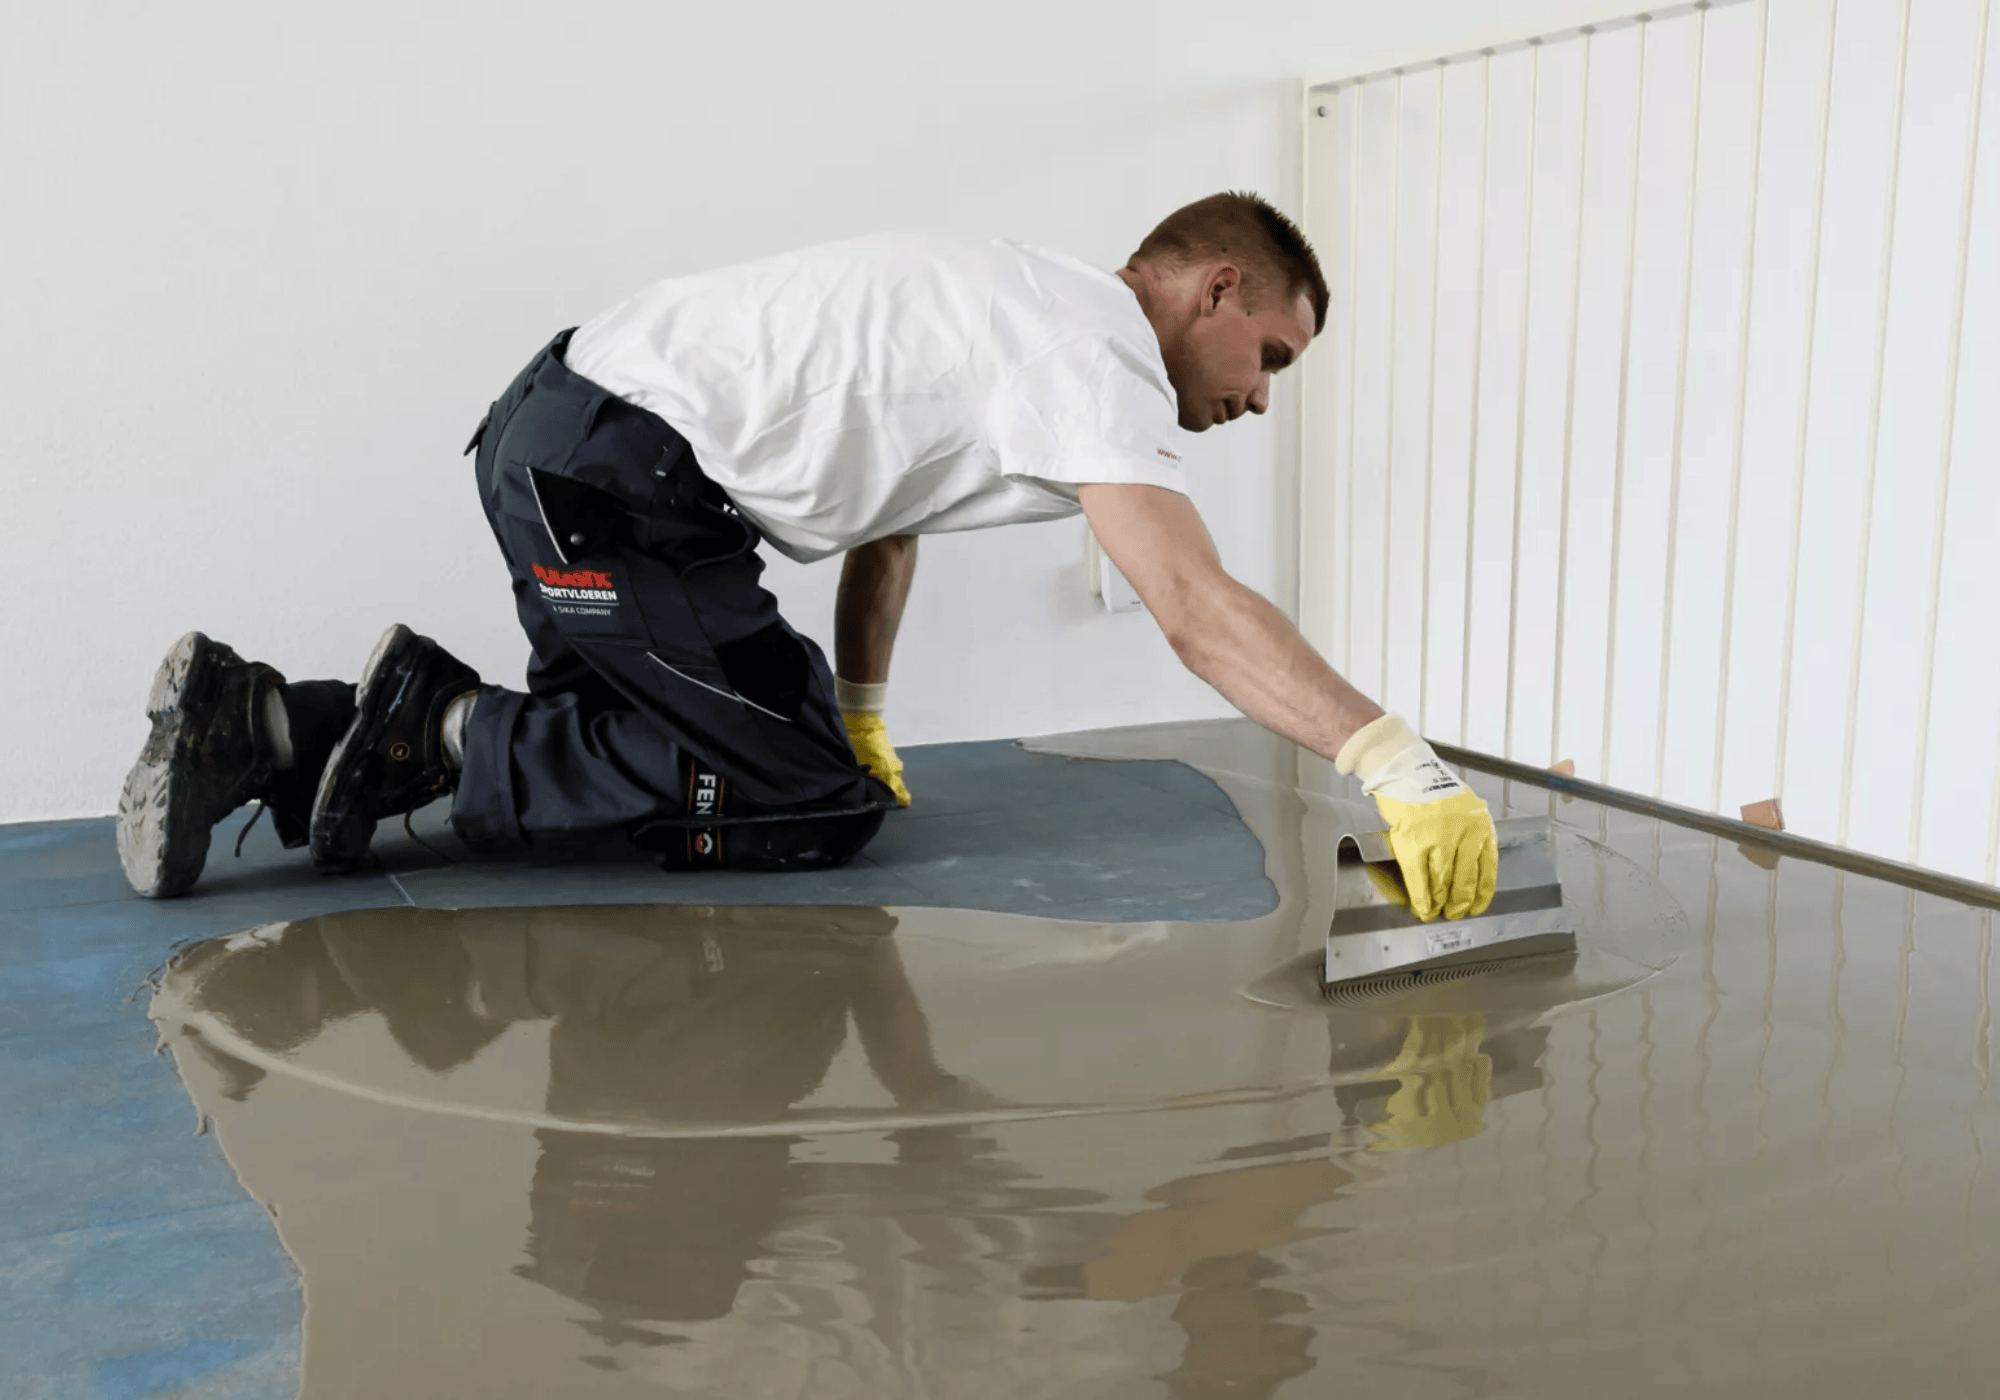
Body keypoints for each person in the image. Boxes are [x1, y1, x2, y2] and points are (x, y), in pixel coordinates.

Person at [114, 191, 1497, 918]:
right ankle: (393, 726)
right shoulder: (1096, 355)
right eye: (1271, 358)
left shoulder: (1028, 308)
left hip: (593, 454)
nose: (1259, 397)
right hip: (614, 477)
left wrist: (863, 712)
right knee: (800, 808)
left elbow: (890, 516)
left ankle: (290, 728)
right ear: (1214, 290)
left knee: (715, 746)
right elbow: (1190, 605)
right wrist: (1395, 762)